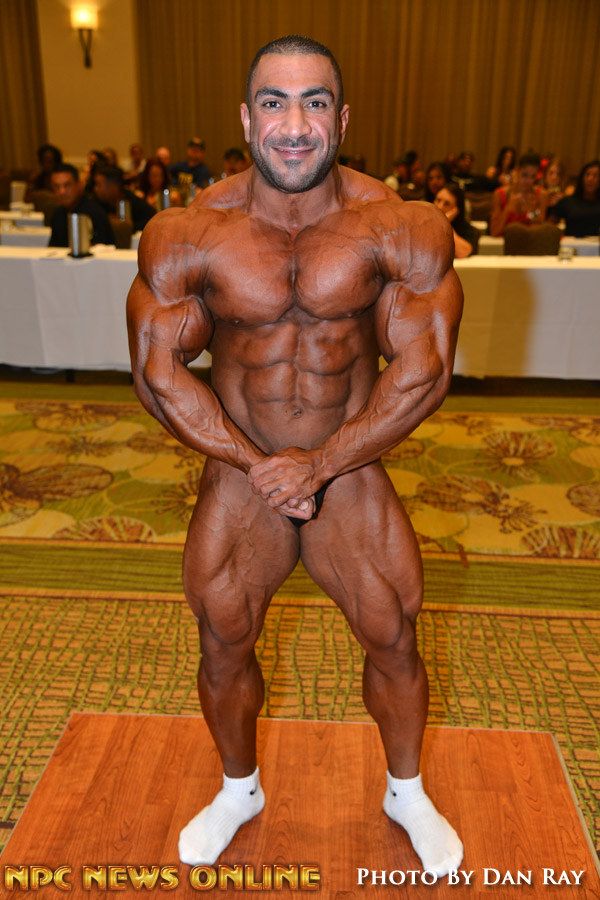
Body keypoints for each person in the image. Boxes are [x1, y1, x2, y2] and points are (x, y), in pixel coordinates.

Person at [127, 34, 464, 876]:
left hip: (348, 465)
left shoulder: (401, 227)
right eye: (274, 102)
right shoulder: (188, 233)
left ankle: (407, 791)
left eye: (314, 103)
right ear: (247, 119)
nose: (294, 123)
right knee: (222, 638)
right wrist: (258, 466)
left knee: (393, 635)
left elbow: (424, 372)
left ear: (340, 121)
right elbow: (158, 375)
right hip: (242, 466)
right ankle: (238, 789)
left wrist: (320, 463)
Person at [48, 163, 114, 247]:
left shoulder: (95, 213)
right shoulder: (58, 214)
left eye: (67, 185)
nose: (62, 192)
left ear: (79, 185)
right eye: (56, 186)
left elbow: (102, 250)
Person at [490, 153, 548, 236]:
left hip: (530, 242)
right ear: (517, 171)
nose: (528, 181)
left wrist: (531, 212)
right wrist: (507, 210)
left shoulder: (541, 195)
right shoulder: (500, 194)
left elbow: (539, 231)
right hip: (505, 242)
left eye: (533, 176)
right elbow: (494, 232)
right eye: (524, 175)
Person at [93, 164, 156, 233]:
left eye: (99, 184)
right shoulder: (97, 204)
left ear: (113, 186)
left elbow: (152, 219)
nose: (96, 189)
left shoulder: (132, 202)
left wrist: (130, 227)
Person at [547, 159, 600, 237]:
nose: (590, 179)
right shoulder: (568, 201)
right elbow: (549, 225)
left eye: (595, 176)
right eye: (587, 175)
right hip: (571, 243)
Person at [434, 184, 479, 257]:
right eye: (438, 200)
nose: (439, 207)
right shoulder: (422, 225)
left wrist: (445, 224)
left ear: (456, 210)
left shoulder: (470, 231)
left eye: (447, 204)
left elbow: (463, 253)